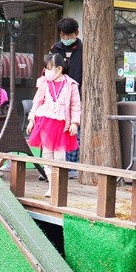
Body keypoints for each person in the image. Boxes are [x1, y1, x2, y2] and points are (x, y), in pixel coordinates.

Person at [26, 52, 81, 197]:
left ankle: (59, 186)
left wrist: (75, 122)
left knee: (60, 157)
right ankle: (51, 186)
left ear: (59, 69)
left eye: (49, 68)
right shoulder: (44, 83)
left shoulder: (71, 85)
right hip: (45, 123)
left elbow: (76, 105)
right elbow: (37, 101)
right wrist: (32, 119)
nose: (46, 71)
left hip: (62, 125)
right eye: (46, 68)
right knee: (47, 156)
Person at [50, 17, 83, 172]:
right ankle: (54, 167)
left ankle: (72, 167)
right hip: (57, 97)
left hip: (77, 94)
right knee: (57, 131)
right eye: (63, 35)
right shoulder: (55, 49)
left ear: (76, 33)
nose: (66, 39)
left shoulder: (83, 49)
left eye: (69, 36)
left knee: (74, 131)